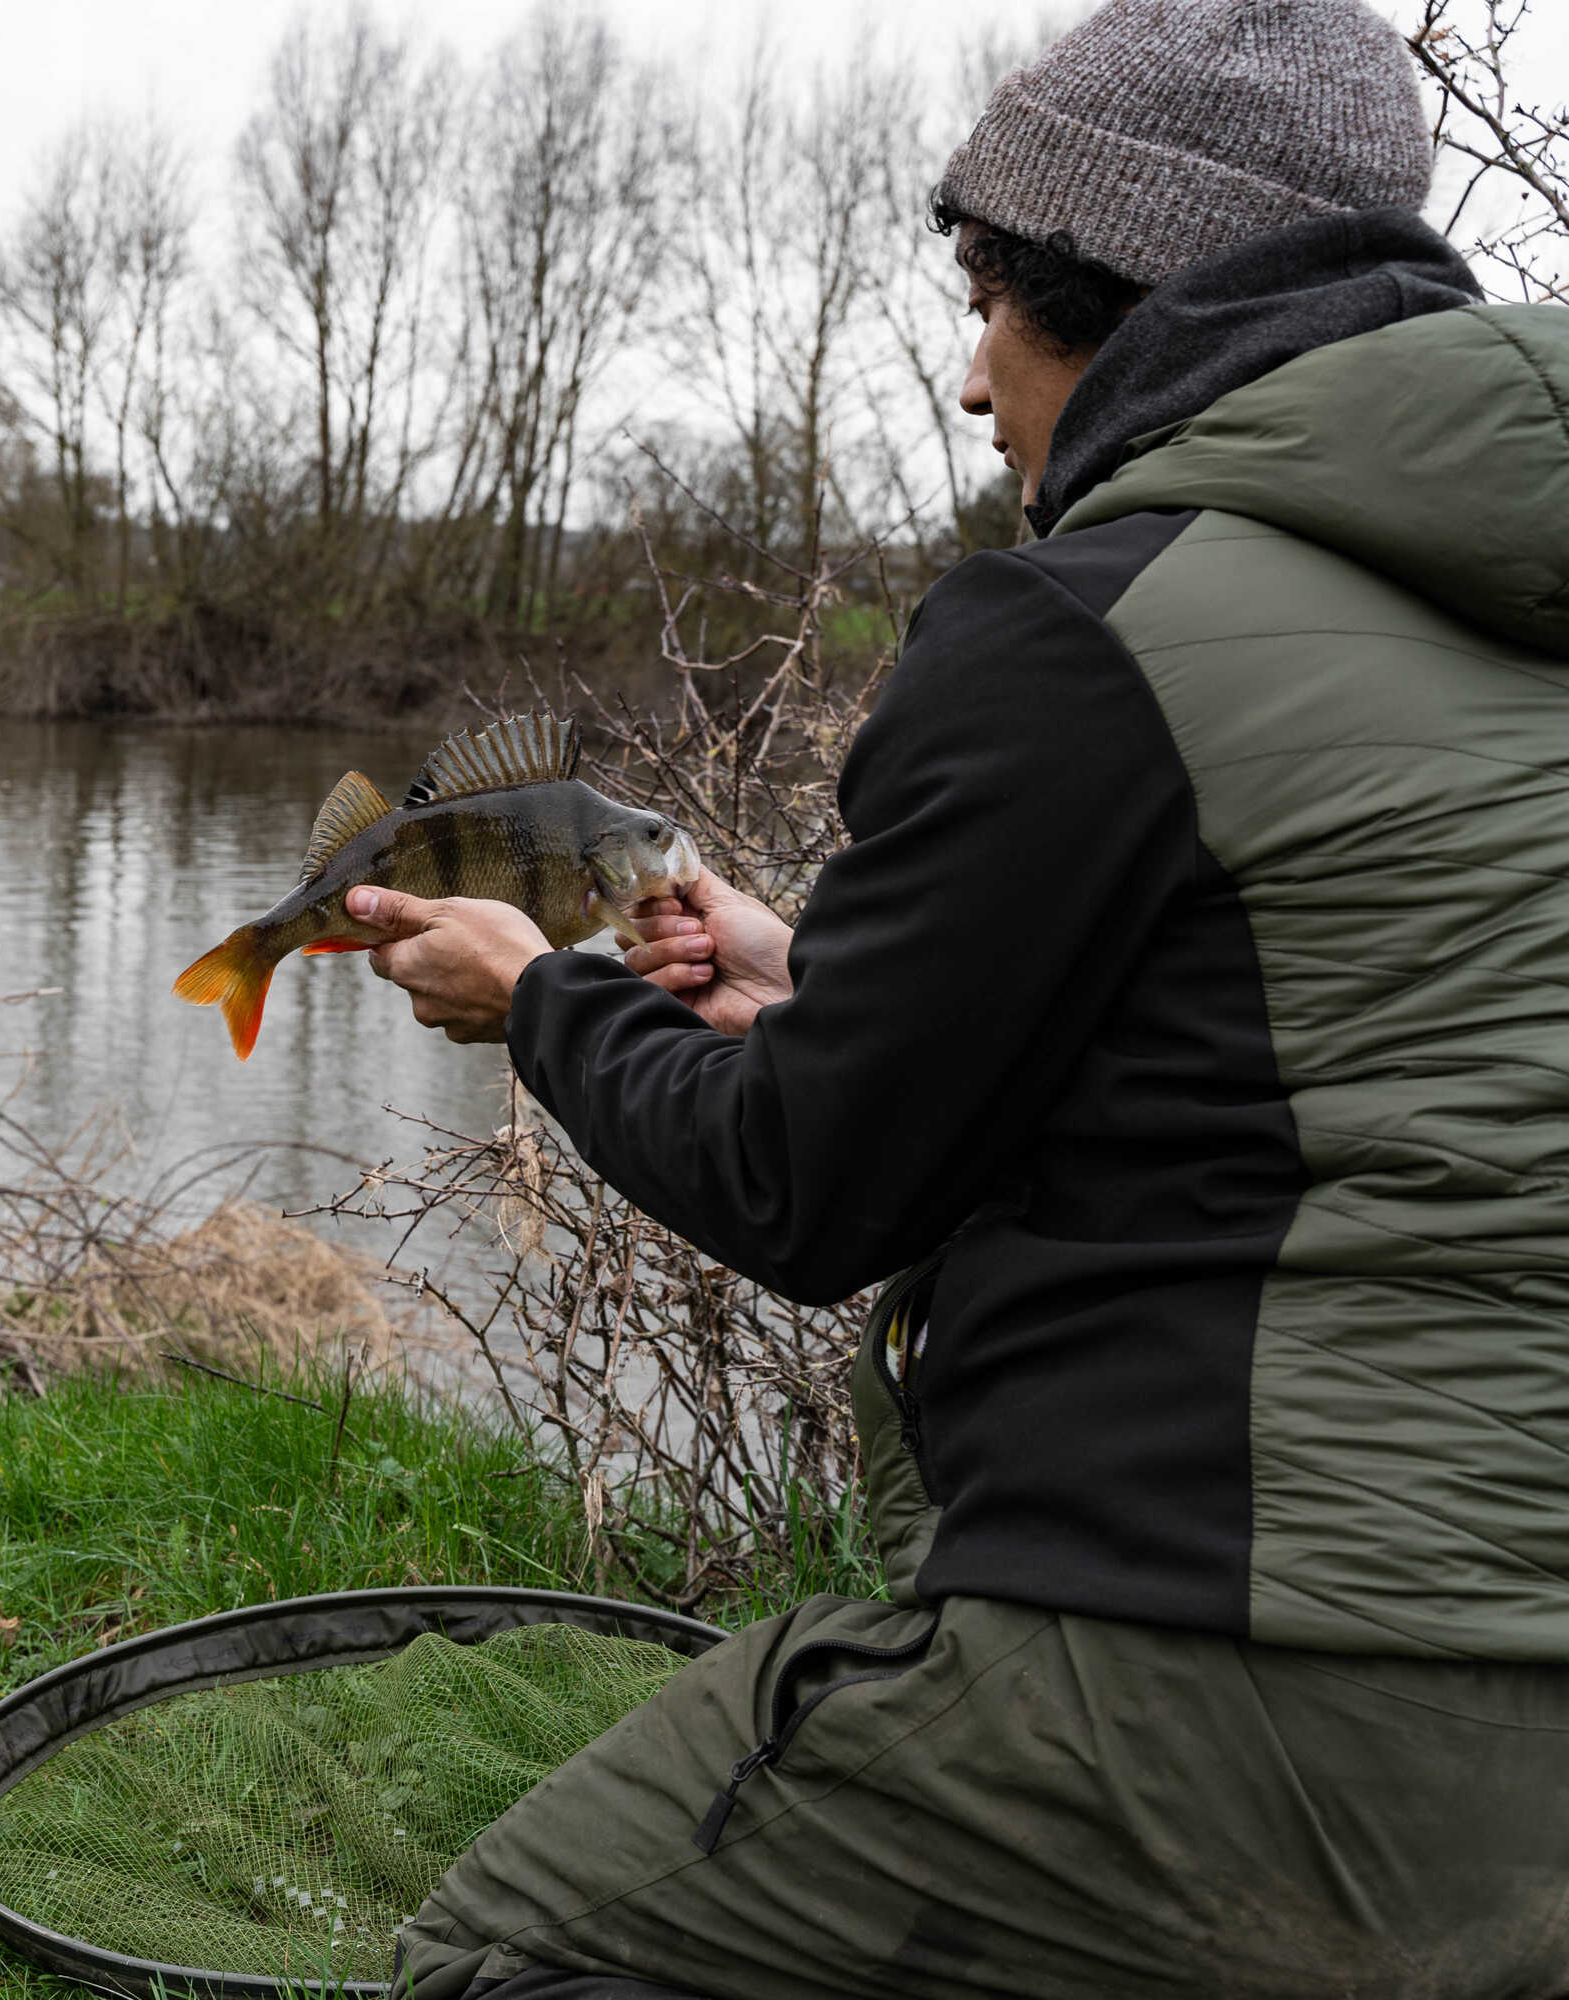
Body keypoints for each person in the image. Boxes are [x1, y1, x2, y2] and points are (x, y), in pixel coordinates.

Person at [353, 1, 1569, 1994]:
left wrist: (537, 1002)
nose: (971, 371)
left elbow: (814, 1189)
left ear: (1109, 298)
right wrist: (824, 976)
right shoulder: (1513, 609)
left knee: (504, 1951)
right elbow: (1294, 1052)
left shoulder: (1082, 633)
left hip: (1253, 1681)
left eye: (989, 299)